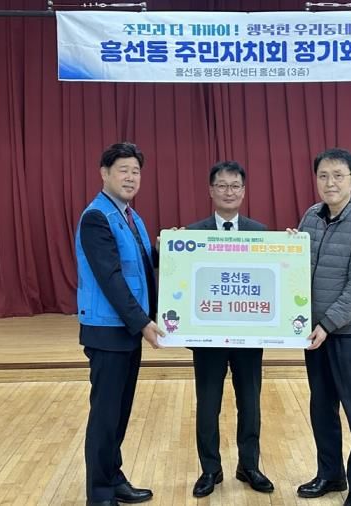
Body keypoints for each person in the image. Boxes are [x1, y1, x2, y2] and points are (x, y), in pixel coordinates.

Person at [75, 142, 164, 506]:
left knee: (119, 413)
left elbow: (144, 263)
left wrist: (181, 247)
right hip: (108, 332)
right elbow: (111, 279)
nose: (130, 177)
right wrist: (143, 323)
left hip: (126, 331)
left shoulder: (130, 216)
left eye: (136, 171)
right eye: (123, 170)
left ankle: (113, 479)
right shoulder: (97, 218)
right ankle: (99, 494)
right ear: (104, 174)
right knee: (105, 416)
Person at [296, 148, 351, 506]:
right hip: (314, 333)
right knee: (322, 408)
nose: (329, 183)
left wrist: (328, 324)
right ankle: (330, 474)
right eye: (323, 176)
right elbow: (296, 269)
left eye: (337, 175)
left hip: (349, 334)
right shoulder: (311, 216)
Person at [186, 161, 274, 498]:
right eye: (221, 185)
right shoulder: (191, 234)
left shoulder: (260, 233)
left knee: (250, 403)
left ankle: (248, 466)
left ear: (243, 191)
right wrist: (167, 247)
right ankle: (211, 469)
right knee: (208, 405)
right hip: (208, 337)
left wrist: (292, 246)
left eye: (235, 186)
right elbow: (179, 279)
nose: (228, 192)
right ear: (211, 190)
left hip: (249, 336)